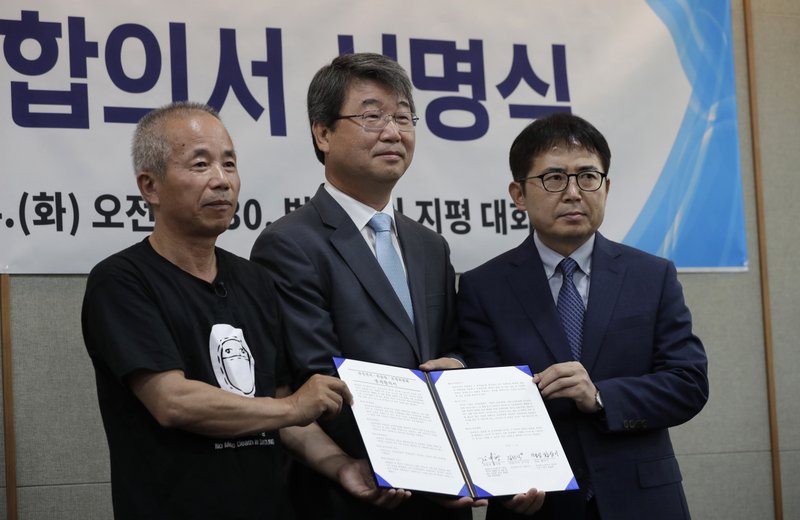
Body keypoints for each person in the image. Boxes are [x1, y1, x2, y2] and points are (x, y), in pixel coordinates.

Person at [250, 53, 542, 519]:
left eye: (403, 116)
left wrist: (460, 370)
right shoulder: (289, 243)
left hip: (444, 500)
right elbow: (317, 374)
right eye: (371, 116)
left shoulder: (430, 245)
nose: (393, 131)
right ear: (322, 133)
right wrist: (427, 465)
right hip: (355, 493)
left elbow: (455, 348)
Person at [82, 101, 403, 519]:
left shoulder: (255, 281)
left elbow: (282, 404)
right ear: (150, 186)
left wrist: (341, 465)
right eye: (200, 165)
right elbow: (173, 401)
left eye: (229, 164)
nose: (221, 181)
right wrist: (291, 408)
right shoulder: (122, 281)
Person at [457, 112, 709, 519]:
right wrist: (505, 486)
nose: (573, 192)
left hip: (643, 501)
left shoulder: (652, 276)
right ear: (518, 194)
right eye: (554, 178)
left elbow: (688, 384)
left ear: (606, 188)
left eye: (587, 177)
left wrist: (600, 396)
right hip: (539, 503)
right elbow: (485, 399)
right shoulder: (483, 287)